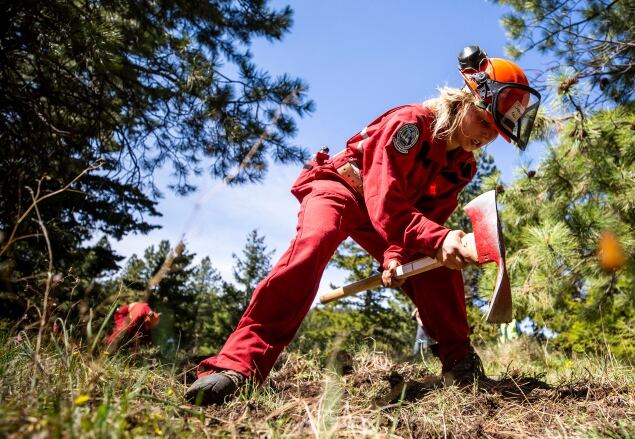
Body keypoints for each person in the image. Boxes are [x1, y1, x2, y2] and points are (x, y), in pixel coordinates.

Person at [185, 45, 540, 405]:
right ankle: (239, 366)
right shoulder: (411, 125)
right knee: (314, 243)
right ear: (465, 98)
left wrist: (396, 256)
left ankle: (459, 365)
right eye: (483, 121)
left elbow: (426, 218)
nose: (485, 136)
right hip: (343, 187)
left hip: (384, 210)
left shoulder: (462, 166)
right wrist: (439, 238)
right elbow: (385, 203)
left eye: (496, 132)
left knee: (439, 269)